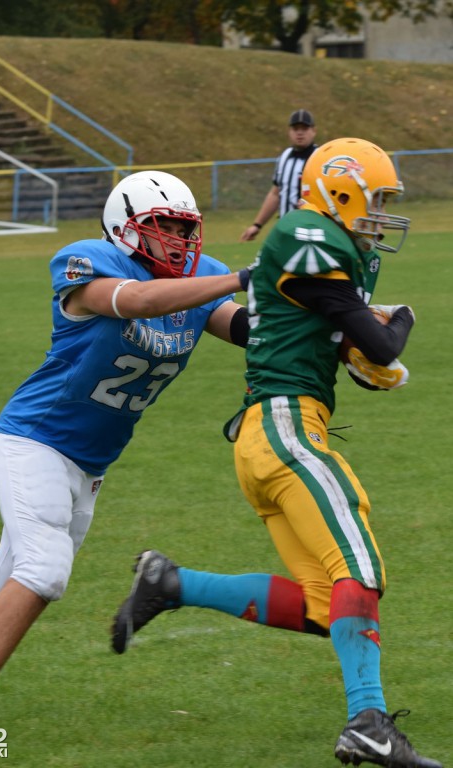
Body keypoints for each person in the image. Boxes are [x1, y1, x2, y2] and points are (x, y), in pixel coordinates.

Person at [111, 140, 443, 768]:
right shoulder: (305, 233)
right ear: (341, 192)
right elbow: (381, 342)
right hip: (286, 427)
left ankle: (171, 583)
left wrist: (358, 351)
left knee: (324, 603)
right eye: (375, 199)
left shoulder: (325, 248)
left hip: (271, 435)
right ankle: (368, 721)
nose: (381, 214)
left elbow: (338, 336)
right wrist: (400, 320)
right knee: (359, 566)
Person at [0, 170, 252, 735]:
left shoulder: (198, 278)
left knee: (2, 591)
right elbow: (136, 300)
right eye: (163, 226)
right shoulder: (89, 262)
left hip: (91, 461)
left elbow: (249, 330)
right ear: (124, 227)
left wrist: (341, 321)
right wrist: (238, 278)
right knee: (44, 573)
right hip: (35, 438)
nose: (178, 240)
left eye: (185, 228)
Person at [240, 108, 317, 242]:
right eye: (295, 129)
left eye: (304, 128)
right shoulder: (285, 156)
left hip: (311, 230)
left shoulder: (319, 158)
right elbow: (276, 193)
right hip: (286, 228)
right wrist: (257, 225)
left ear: (313, 131)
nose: (299, 133)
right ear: (289, 132)